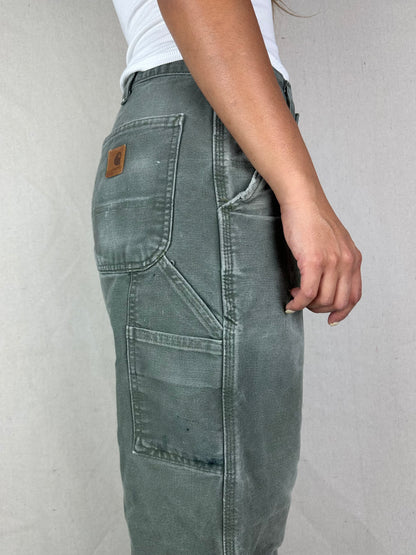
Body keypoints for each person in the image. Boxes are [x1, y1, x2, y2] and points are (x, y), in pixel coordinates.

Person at [90, 0, 362, 553]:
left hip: (191, 130)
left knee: (212, 507)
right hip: (207, 128)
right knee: (218, 519)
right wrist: (304, 193)